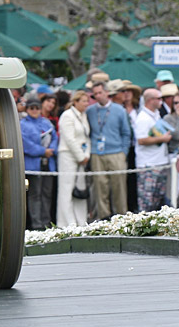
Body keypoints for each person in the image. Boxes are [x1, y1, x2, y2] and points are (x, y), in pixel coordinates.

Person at [86, 80, 133, 219]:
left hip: (116, 152)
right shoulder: (90, 111)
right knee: (100, 188)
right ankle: (103, 218)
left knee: (119, 188)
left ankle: (122, 217)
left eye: (100, 92)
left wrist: (123, 153)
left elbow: (126, 133)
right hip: (97, 153)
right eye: (95, 94)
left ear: (107, 92)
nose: (98, 96)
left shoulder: (119, 110)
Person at [20, 99, 58, 230]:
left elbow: (55, 138)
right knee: (35, 194)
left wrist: (51, 151)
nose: (35, 110)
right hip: (33, 165)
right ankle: (36, 224)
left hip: (48, 164)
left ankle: (47, 222)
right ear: (27, 110)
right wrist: (43, 151)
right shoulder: (22, 124)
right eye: (32, 108)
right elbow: (25, 144)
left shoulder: (46, 123)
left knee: (47, 193)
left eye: (37, 107)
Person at [133, 88, 172, 212]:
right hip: (148, 165)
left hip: (160, 161)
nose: (162, 101)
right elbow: (141, 140)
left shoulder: (156, 114)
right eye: (159, 98)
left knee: (158, 199)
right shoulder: (142, 118)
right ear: (150, 100)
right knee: (147, 200)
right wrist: (162, 138)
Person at [56, 90, 91, 228]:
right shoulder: (67, 115)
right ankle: (66, 222)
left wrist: (86, 155)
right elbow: (69, 138)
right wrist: (80, 156)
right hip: (68, 155)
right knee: (67, 188)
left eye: (87, 101)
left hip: (82, 157)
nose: (86, 104)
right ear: (75, 102)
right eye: (83, 101)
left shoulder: (84, 116)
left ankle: (81, 222)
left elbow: (86, 137)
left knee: (80, 189)